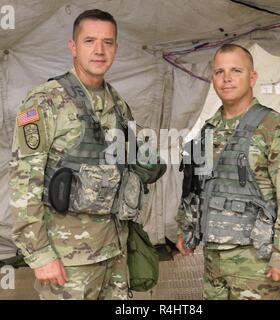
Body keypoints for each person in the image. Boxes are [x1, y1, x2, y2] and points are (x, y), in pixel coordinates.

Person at [9, 9, 164, 300]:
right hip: (68, 257)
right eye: (90, 41)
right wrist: (40, 254)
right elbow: (23, 182)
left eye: (107, 42)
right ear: (73, 46)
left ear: (116, 48)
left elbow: (131, 163)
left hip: (115, 250)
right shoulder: (45, 100)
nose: (99, 50)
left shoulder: (117, 102)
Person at [176, 44, 280, 300]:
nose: (226, 78)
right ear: (213, 79)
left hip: (256, 262)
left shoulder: (274, 128)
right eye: (219, 72)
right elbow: (196, 187)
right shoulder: (207, 131)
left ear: (252, 78)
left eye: (236, 70)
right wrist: (186, 228)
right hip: (213, 259)